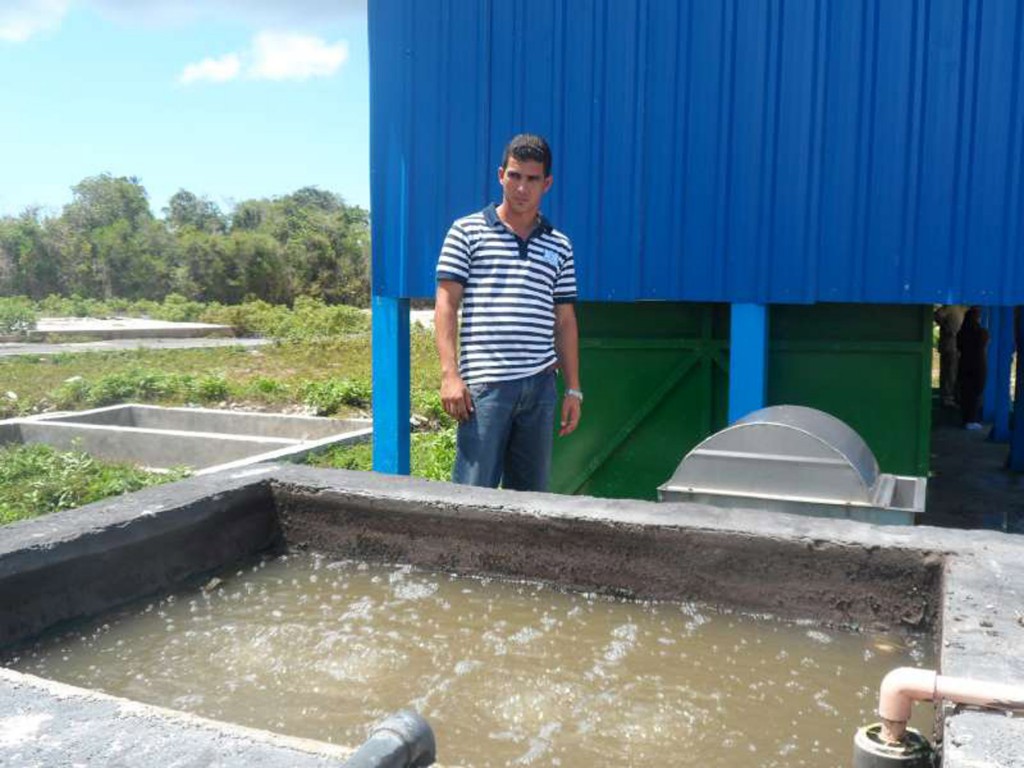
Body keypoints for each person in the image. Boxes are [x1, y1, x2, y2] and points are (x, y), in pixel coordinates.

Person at [434, 134, 581, 491]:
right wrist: (450, 375)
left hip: (540, 388)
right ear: (501, 175)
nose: (521, 188)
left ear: (547, 183)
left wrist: (573, 389)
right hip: (486, 388)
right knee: (473, 495)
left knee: (531, 501)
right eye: (514, 176)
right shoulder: (466, 232)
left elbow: (564, 320)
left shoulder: (559, 245)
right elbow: (446, 305)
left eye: (532, 179)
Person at [956, 306, 989, 430]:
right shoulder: (981, 332)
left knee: (966, 392)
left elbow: (959, 347)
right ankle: (971, 419)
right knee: (976, 391)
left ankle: (966, 419)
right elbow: (984, 344)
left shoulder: (961, 333)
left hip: (964, 363)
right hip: (978, 364)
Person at [934, 304, 967, 407]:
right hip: (950, 345)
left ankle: (952, 396)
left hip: (958, 345)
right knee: (949, 372)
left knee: (953, 372)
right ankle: (947, 398)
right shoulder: (952, 306)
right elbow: (937, 315)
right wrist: (947, 327)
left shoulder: (963, 307)